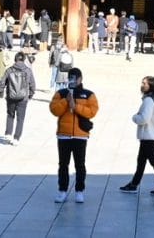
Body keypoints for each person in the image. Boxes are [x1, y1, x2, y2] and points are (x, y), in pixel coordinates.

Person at [49, 67, 99, 203]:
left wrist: (75, 105)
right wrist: (66, 100)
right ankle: (62, 190)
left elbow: (92, 112)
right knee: (63, 164)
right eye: (69, 77)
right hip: (64, 135)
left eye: (74, 78)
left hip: (80, 135)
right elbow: (54, 110)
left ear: (80, 79)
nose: (71, 80)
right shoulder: (61, 93)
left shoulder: (88, 94)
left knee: (80, 164)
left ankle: (79, 190)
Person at [118, 76, 154, 194]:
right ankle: (134, 184)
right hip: (148, 135)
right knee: (141, 161)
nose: (142, 85)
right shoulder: (151, 99)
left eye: (145, 83)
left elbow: (144, 118)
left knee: (153, 161)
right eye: (142, 82)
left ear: (151, 86)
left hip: (148, 136)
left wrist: (135, 117)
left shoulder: (148, 100)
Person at [0, 52, 36, 145]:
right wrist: (30, 95)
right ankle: (16, 138)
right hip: (23, 98)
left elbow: (2, 82)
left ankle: (8, 134)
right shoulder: (28, 70)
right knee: (20, 119)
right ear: (23, 59)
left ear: (15, 59)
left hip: (10, 97)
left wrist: (1, 92)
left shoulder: (9, 70)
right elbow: (33, 84)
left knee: (10, 115)